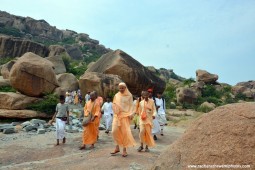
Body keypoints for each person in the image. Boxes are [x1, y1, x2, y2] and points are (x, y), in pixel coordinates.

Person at [111, 82, 136, 157]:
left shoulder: (129, 96)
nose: (121, 89)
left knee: (125, 133)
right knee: (114, 131)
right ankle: (117, 147)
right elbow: (114, 104)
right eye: (120, 88)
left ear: (125, 88)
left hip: (125, 116)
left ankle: (124, 150)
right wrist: (115, 108)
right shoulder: (116, 95)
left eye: (122, 88)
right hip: (117, 115)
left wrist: (131, 114)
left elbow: (132, 106)